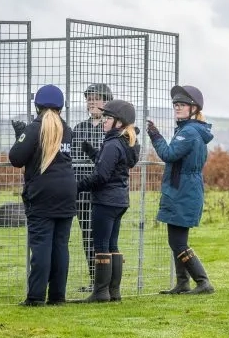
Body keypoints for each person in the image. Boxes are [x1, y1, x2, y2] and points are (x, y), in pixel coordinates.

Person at [9, 85, 77, 307]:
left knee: (41, 246)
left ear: (37, 106)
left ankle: (36, 296)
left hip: (42, 194)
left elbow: (16, 158)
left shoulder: (34, 128)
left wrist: (20, 136)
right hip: (67, 192)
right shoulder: (67, 129)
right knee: (60, 246)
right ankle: (58, 296)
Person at [147, 85, 215, 295]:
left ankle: (203, 282)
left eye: (182, 105)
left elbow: (168, 154)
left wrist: (155, 135)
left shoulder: (189, 132)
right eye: (176, 105)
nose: (177, 108)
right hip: (183, 189)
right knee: (176, 240)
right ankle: (182, 282)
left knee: (177, 241)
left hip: (183, 191)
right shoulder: (189, 130)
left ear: (194, 108)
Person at [73, 99, 140, 303]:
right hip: (119, 200)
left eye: (108, 118)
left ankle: (101, 292)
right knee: (112, 244)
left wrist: (75, 187)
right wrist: (94, 153)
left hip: (106, 201)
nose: (104, 121)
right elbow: (113, 167)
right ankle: (114, 292)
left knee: (100, 244)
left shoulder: (112, 144)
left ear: (119, 122)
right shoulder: (127, 142)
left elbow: (101, 176)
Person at [70, 83, 113, 291]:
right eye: (89, 98)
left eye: (96, 98)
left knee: (105, 239)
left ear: (107, 101)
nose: (92, 102)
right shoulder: (79, 129)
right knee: (87, 237)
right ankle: (95, 281)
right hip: (82, 193)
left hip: (103, 192)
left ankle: (108, 282)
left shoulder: (112, 130)